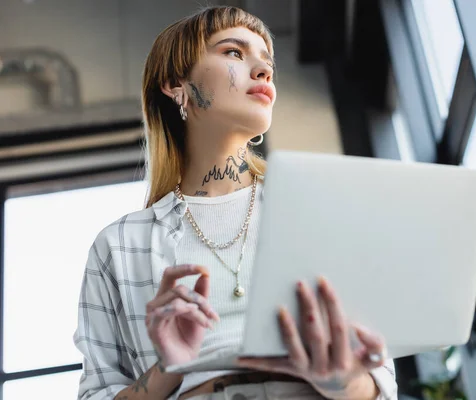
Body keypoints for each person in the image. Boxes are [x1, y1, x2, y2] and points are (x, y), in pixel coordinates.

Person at [73, 6, 398, 400]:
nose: (262, 71)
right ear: (176, 84)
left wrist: (343, 381)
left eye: (267, 62)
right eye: (233, 52)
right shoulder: (120, 245)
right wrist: (166, 371)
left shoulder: (317, 212)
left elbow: (380, 382)